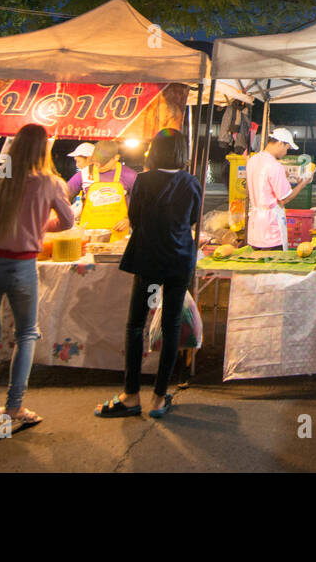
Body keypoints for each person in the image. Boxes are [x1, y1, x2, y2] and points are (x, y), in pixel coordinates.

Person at [0, 124, 75, 434]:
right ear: (44, 150)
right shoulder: (49, 182)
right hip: (21, 265)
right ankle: (15, 405)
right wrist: (39, 225)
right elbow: (68, 221)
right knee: (26, 334)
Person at [96, 129, 202, 420]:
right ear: (182, 152)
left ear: (154, 150)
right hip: (179, 260)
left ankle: (131, 395)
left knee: (135, 325)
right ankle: (158, 397)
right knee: (170, 327)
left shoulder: (143, 181)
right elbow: (193, 218)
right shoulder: (191, 182)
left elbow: (136, 219)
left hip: (148, 259)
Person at [244, 127, 312, 250]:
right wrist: (303, 184)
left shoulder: (252, 160)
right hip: (271, 229)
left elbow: (263, 185)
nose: (286, 152)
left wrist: (283, 177)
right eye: (287, 148)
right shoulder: (275, 166)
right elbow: (284, 198)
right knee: (273, 265)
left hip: (254, 226)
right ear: (281, 143)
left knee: (256, 264)